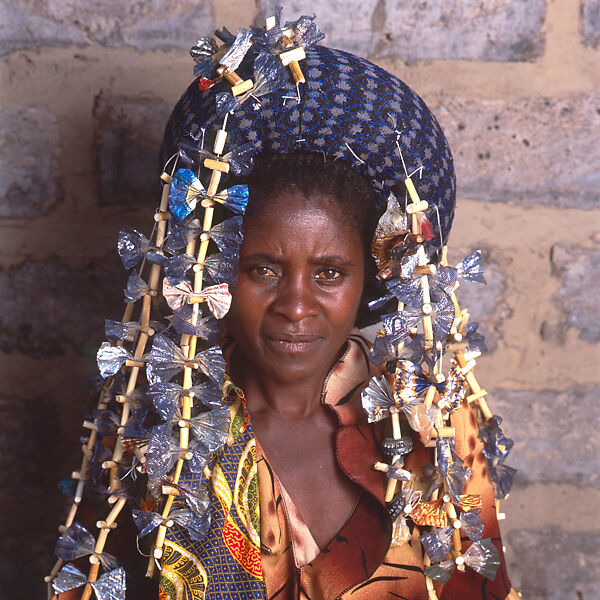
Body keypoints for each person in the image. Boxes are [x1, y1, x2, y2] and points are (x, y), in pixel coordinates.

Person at [49, 10, 520, 600]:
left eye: (329, 273)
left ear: (371, 275)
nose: (296, 307)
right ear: (216, 271)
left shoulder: (434, 430)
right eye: (263, 269)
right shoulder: (159, 439)